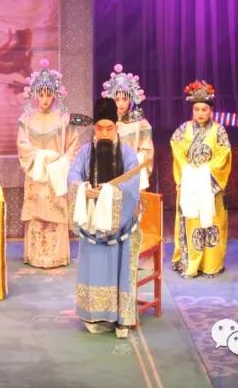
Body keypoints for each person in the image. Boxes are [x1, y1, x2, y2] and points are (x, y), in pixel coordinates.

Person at [68, 97, 143, 339]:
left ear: (116, 127)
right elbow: (73, 175)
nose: (104, 133)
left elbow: (132, 184)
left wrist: (109, 193)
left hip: (120, 227)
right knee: (94, 269)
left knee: (120, 269)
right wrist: (82, 189)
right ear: (94, 128)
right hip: (93, 226)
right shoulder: (85, 152)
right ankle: (94, 315)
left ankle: (121, 318)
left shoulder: (128, 154)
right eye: (99, 128)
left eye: (109, 128)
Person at [17, 60, 79, 268]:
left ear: (55, 95)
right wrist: (42, 158)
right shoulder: (26, 119)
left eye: (48, 94)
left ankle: (56, 256)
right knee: (36, 214)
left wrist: (61, 163)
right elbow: (23, 146)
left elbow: (73, 146)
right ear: (35, 94)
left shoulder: (64, 119)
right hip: (36, 175)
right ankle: (35, 255)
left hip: (56, 174)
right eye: (41, 94)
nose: (45, 99)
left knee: (55, 213)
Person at [170, 80, 232, 278]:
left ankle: (211, 264)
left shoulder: (219, 130)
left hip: (210, 185)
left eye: (204, 109)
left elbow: (224, 154)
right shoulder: (183, 130)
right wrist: (189, 174)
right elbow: (177, 151)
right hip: (190, 184)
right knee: (191, 221)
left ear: (211, 110)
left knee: (212, 222)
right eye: (196, 109)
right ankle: (190, 263)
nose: (200, 113)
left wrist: (205, 173)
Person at [103, 65, 154, 191]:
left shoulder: (141, 123)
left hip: (133, 171)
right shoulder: (106, 124)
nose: (121, 103)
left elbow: (147, 151)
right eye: (117, 99)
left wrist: (133, 161)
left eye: (125, 99)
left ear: (130, 99)